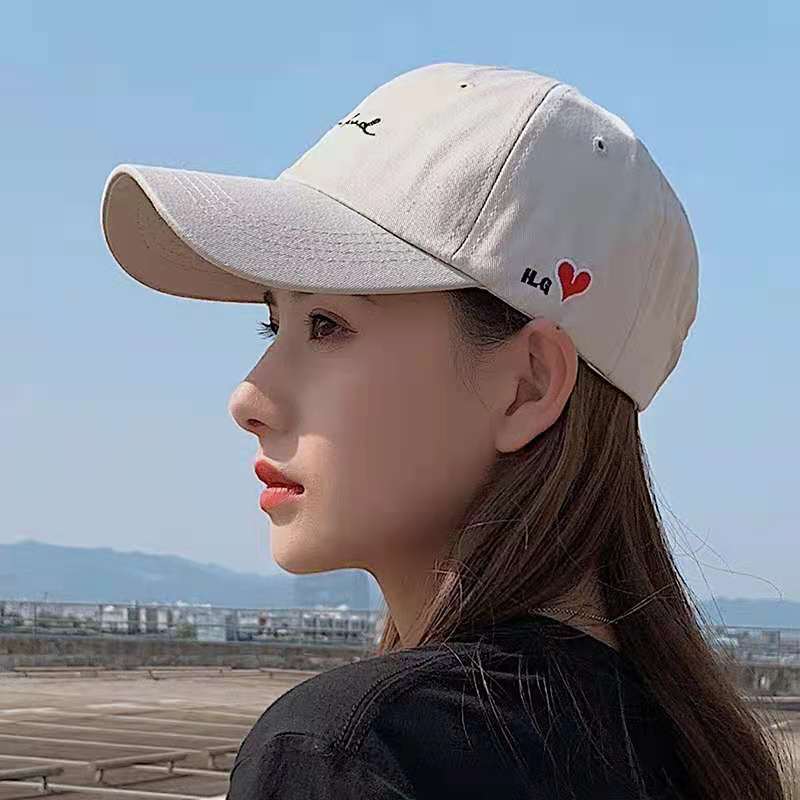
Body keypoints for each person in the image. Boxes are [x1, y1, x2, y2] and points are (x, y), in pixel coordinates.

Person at [99, 63, 792, 799]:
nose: (249, 399)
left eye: (327, 324)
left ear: (528, 385)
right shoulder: (692, 752)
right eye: (275, 324)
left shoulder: (359, 753)